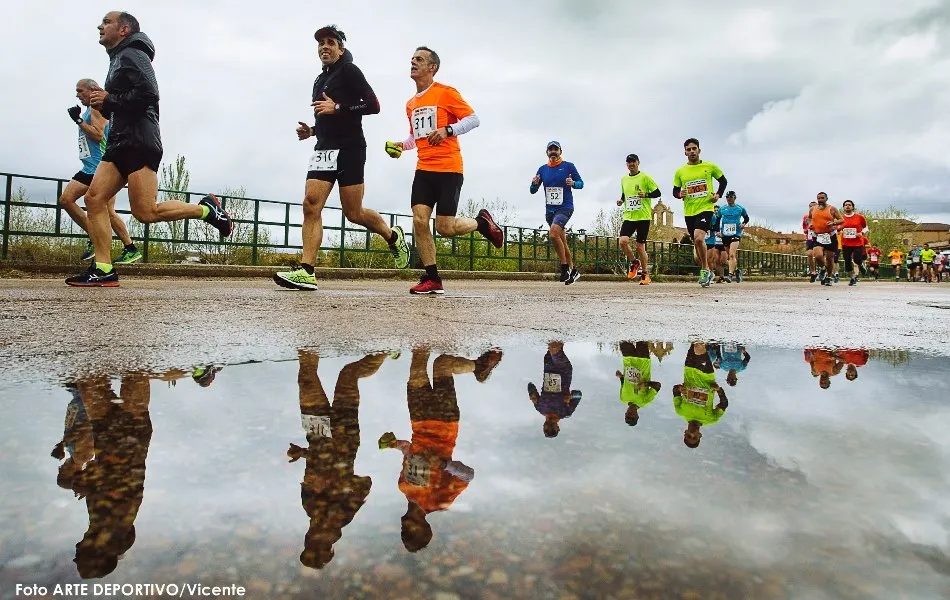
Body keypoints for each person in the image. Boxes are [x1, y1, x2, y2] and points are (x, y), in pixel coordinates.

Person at [67, 12, 233, 287]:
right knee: (94, 200)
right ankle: (103, 268)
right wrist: (105, 104)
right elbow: (124, 102)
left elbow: (149, 94)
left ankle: (207, 210)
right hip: (120, 142)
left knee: (146, 213)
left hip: (139, 141)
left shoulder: (133, 53)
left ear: (123, 29)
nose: (100, 25)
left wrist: (109, 98)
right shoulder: (117, 58)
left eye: (106, 22)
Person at [275, 25, 410, 291]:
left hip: (350, 149)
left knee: (354, 212)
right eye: (321, 43)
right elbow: (326, 117)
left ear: (340, 49)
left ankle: (392, 235)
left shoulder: (350, 71)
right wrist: (312, 131)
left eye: (330, 42)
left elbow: (373, 105)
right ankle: (307, 271)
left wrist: (337, 107)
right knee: (310, 204)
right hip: (324, 149)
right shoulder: (319, 79)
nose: (324, 47)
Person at [384, 47, 503, 295]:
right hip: (423, 169)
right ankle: (432, 278)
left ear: (432, 67)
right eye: (412, 59)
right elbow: (415, 138)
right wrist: (400, 146)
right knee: (419, 221)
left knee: (445, 228)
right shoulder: (410, 104)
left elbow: (473, 119)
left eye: (419, 59)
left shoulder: (446, 93)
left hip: (449, 168)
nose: (413, 62)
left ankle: (482, 223)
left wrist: (448, 130)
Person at [378, 347, 501, 552]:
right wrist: (444, 464)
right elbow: (468, 476)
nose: (405, 527)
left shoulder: (403, 486)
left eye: (403, 532)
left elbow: (410, 451)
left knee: (419, 358)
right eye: (410, 531)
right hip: (444, 424)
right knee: (442, 364)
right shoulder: (439, 501)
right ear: (424, 527)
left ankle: (424, 326)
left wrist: (395, 445)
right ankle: (478, 367)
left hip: (418, 421)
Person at [287, 350, 391, 569]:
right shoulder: (343, 514)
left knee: (306, 377)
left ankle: (308, 336)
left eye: (309, 542)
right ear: (329, 544)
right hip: (345, 436)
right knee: (349, 374)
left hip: (317, 433)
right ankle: (387, 349)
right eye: (318, 544)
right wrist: (343, 483)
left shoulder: (309, 506)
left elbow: (315, 467)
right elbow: (366, 483)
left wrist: (302, 453)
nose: (313, 538)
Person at [62, 78, 141, 265]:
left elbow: (98, 135)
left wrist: (79, 120)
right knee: (107, 211)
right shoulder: (93, 109)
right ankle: (130, 248)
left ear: (92, 90)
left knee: (67, 199)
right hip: (93, 165)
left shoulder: (96, 108)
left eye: (80, 91)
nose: (77, 95)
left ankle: (95, 237)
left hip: (97, 167)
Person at [672, 138, 727, 287]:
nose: (692, 151)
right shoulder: (680, 172)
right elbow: (675, 190)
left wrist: (718, 195)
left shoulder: (709, 166)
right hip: (689, 211)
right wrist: (679, 194)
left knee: (698, 238)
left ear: (699, 150)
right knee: (696, 242)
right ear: (685, 152)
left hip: (706, 208)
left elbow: (723, 181)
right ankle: (708, 269)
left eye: (694, 148)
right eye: (688, 149)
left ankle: (704, 270)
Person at [529, 141, 583, 284]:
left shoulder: (568, 166)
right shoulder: (542, 169)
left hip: (565, 207)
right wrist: (534, 183)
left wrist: (574, 184)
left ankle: (564, 268)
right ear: (547, 152)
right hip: (550, 211)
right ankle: (574, 271)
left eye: (555, 149)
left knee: (553, 234)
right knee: (562, 242)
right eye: (550, 149)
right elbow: (532, 191)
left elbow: (581, 183)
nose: (553, 152)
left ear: (560, 151)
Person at [672, 343, 728, 449]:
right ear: (700, 435)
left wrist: (679, 388)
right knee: (699, 347)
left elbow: (675, 390)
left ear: (685, 432)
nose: (692, 434)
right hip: (706, 376)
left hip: (688, 370)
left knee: (694, 343)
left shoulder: (680, 411)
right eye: (695, 437)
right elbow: (724, 404)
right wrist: (719, 390)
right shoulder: (711, 419)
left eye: (689, 436)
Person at [615, 153, 660, 284]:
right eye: (629, 162)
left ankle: (645, 275)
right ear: (626, 165)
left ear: (638, 163)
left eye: (633, 161)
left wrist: (646, 194)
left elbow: (658, 192)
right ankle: (635, 262)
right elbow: (625, 194)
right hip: (629, 216)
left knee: (640, 247)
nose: (631, 164)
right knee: (623, 241)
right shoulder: (624, 179)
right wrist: (621, 201)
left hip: (643, 217)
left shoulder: (645, 177)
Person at [528, 342, 582, 438]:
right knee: (555, 349)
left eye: (546, 429)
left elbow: (530, 385)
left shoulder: (540, 408)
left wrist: (532, 394)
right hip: (564, 372)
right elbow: (579, 395)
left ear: (543, 427)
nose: (549, 427)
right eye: (552, 430)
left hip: (548, 367)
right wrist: (571, 396)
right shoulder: (566, 412)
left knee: (554, 343)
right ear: (558, 428)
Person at [615, 341, 661, 427]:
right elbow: (658, 386)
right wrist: (646, 384)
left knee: (623, 337)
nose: (630, 413)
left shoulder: (623, 399)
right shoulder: (645, 401)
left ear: (625, 413)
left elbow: (624, 384)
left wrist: (620, 376)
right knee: (642, 337)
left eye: (628, 415)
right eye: (633, 416)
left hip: (628, 360)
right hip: (643, 360)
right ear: (637, 415)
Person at [807, 192, 843, 287]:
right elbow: (809, 219)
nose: (820, 200)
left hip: (830, 236)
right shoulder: (812, 209)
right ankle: (822, 269)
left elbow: (841, 220)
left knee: (830, 258)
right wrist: (810, 225)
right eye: (818, 198)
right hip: (818, 236)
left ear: (826, 199)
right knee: (818, 256)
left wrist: (833, 223)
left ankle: (829, 277)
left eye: (822, 198)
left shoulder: (832, 209)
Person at [717, 191, 750, 282]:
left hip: (736, 233)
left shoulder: (740, 208)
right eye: (727, 197)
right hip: (725, 234)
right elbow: (717, 220)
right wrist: (717, 231)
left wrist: (743, 224)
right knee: (729, 255)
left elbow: (746, 218)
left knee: (732, 254)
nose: (729, 199)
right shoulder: (722, 209)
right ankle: (737, 271)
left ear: (735, 198)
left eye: (731, 197)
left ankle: (730, 275)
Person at [839, 200, 869, 286]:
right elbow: (838, 228)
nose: (847, 206)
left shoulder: (859, 217)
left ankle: (861, 265)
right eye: (845, 205)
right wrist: (839, 230)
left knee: (857, 259)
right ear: (843, 207)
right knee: (847, 261)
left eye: (849, 205)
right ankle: (853, 277)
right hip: (846, 243)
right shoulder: (841, 218)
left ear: (853, 207)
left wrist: (861, 233)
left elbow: (866, 228)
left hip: (858, 243)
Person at [703, 206, 725, 282]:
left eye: (717, 210)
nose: (716, 211)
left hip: (715, 242)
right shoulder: (700, 215)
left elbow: (715, 227)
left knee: (720, 261)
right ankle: (709, 273)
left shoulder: (717, 218)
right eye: (714, 210)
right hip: (704, 241)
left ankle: (711, 274)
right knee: (699, 259)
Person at [803, 201, 819, 281]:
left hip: (820, 237)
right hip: (810, 238)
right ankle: (813, 272)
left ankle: (822, 270)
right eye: (810, 206)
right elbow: (804, 227)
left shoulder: (821, 216)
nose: (812, 208)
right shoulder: (806, 217)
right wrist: (806, 230)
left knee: (819, 255)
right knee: (809, 254)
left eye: (814, 206)